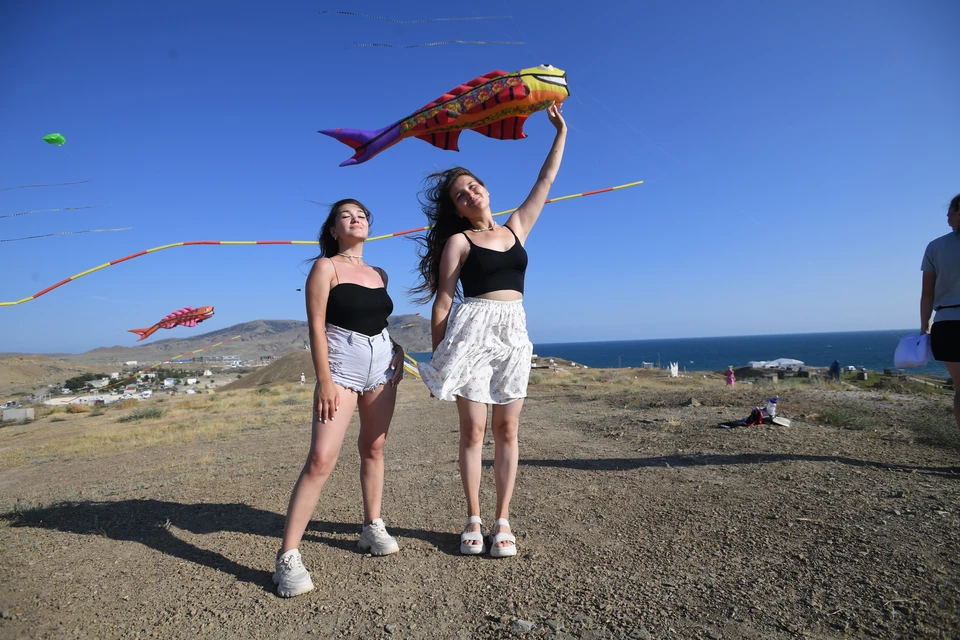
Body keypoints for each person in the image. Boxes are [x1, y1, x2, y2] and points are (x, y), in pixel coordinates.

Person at [412, 103, 567, 558]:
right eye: (461, 194)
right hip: (473, 330)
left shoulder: (517, 227)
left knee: (508, 428)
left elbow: (545, 181)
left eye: (473, 185)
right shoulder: (459, 241)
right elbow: (443, 300)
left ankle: (503, 520)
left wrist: (560, 133)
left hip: (514, 332)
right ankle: (473, 519)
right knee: (473, 430)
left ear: (485, 189)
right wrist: (441, 358)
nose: (470, 193)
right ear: (457, 211)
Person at [274, 199, 405, 598]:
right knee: (321, 459)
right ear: (333, 229)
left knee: (375, 447)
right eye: (346, 216)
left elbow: (377, 320)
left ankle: (371, 527)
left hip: (382, 367)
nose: (356, 219)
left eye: (362, 214)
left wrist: (396, 347)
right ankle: (287, 558)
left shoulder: (379, 272)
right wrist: (325, 380)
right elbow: (316, 326)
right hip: (342, 369)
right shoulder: (324, 267)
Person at [920, 193, 960, 429]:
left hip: (948, 322)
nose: (948, 221)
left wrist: (925, 327)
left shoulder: (935, 247)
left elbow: (927, 294)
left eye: (950, 215)